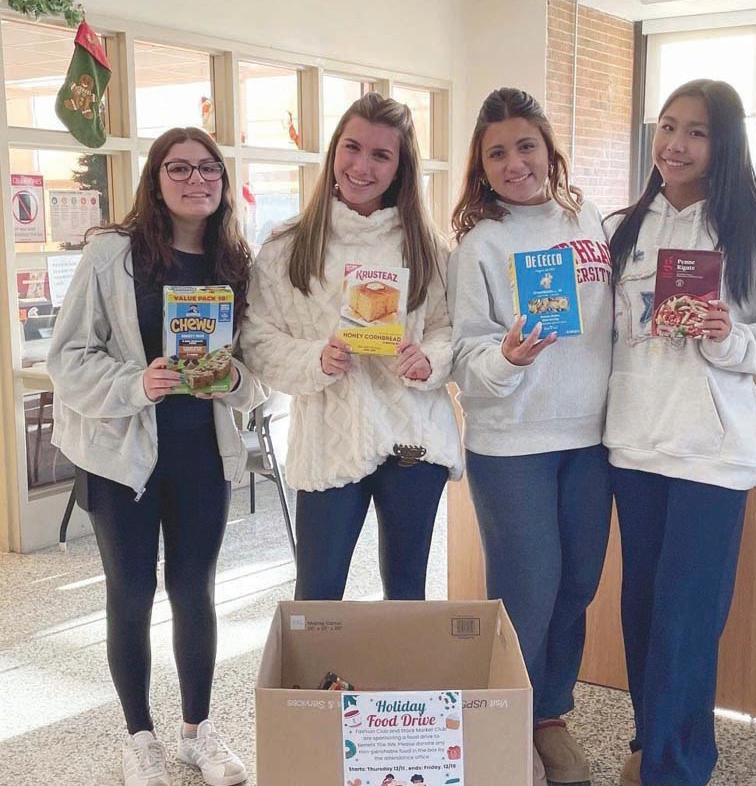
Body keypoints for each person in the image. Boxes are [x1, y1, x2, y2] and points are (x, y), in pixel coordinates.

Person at [604, 79, 756, 786]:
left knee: (686, 623)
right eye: (667, 127)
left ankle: (677, 769)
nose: (676, 144)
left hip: (711, 457)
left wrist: (728, 338)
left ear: (723, 145)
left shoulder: (747, 232)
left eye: (696, 131)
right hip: (635, 448)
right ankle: (652, 742)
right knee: (641, 612)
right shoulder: (622, 229)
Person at [48, 127, 266, 786]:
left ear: (223, 181)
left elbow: (258, 370)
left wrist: (234, 380)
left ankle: (198, 732)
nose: (196, 179)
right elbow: (67, 358)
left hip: (202, 453)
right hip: (121, 458)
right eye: (179, 168)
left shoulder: (236, 264)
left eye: (209, 168)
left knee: (195, 590)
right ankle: (139, 736)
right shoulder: (112, 255)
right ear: (155, 178)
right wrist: (134, 384)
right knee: (131, 592)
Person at [448, 87, 614, 786]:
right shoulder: (480, 245)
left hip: (592, 437)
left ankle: (548, 716)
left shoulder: (588, 216)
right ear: (481, 167)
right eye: (497, 153)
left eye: (526, 146)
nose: (515, 163)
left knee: (577, 585)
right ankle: (507, 729)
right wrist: (507, 359)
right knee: (527, 592)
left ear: (549, 148)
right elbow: (463, 355)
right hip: (511, 443)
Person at [240, 92, 462, 602]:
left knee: (407, 595)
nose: (362, 167)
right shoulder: (287, 246)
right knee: (317, 596)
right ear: (334, 150)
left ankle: (401, 663)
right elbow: (256, 337)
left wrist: (428, 358)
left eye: (381, 155)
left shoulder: (428, 247)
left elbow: (451, 328)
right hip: (329, 437)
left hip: (413, 436)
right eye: (353, 148)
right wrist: (315, 359)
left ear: (401, 167)